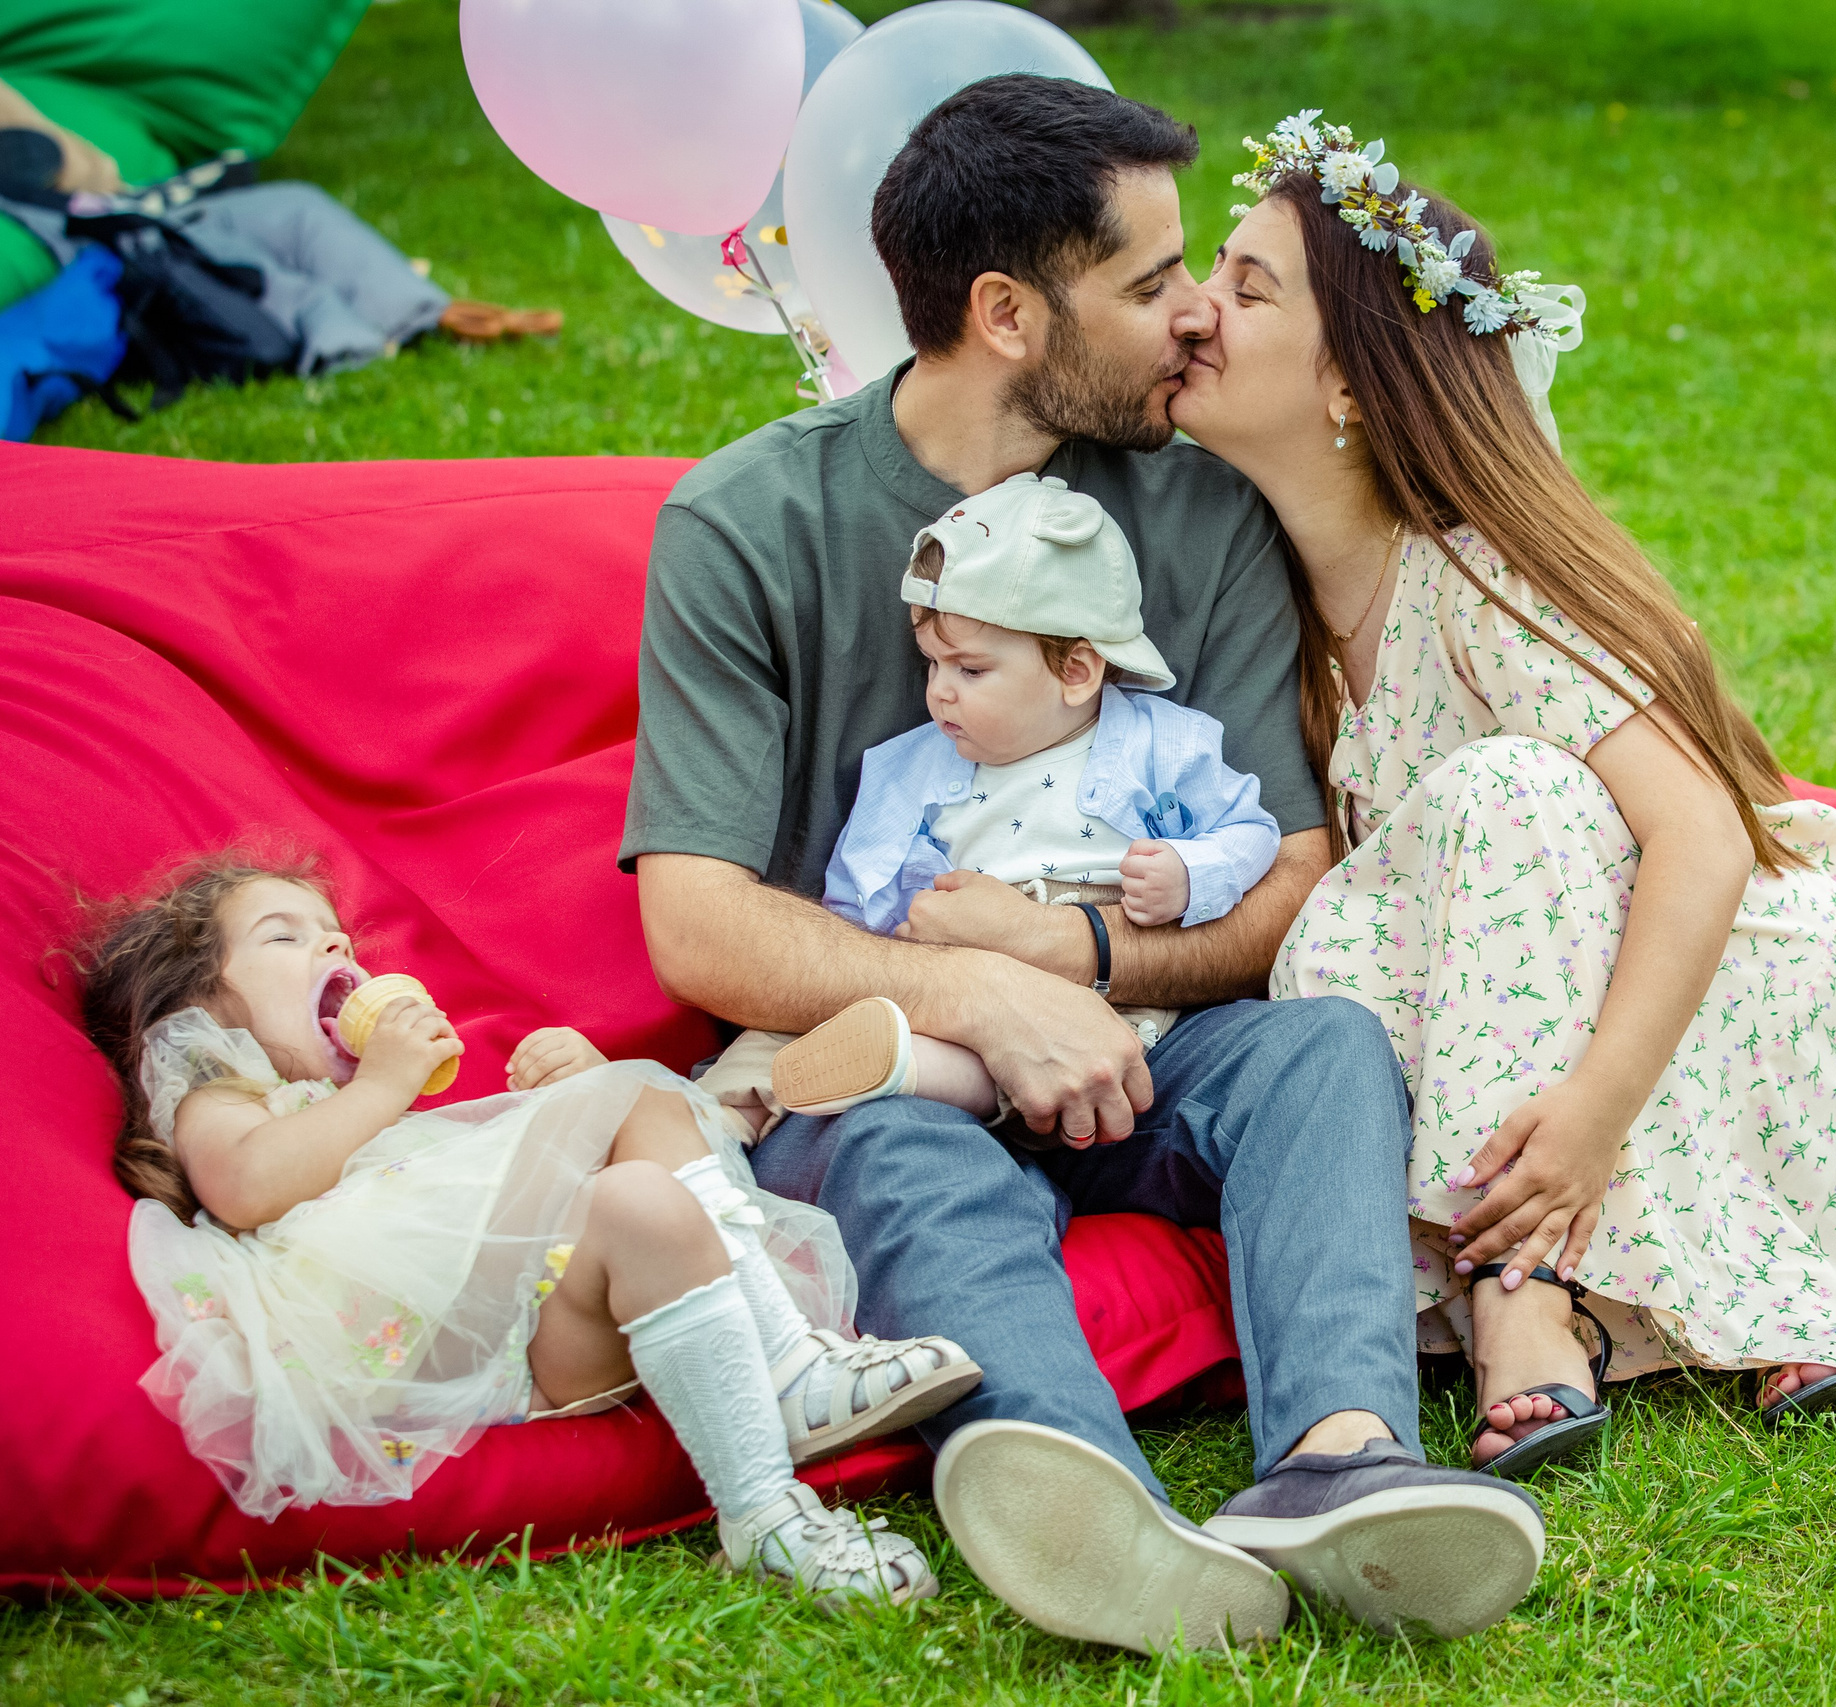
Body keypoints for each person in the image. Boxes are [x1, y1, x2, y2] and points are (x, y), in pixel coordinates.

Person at [621, 77, 1543, 1653]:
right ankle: (1087, 1499)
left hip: (1162, 1042)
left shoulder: (1198, 514)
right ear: (1006, 314)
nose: (1195, 316)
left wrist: (1094, 969)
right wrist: (982, 993)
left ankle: (1337, 1457)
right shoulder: (747, 523)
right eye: (1146, 282)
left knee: (1323, 1047)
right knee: (910, 1160)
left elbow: (1290, 870)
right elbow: (696, 920)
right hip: (899, 1074)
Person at [1170, 112, 1836, 1475]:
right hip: (1540, 963)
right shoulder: (1263, 602)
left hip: (1717, 956)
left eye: (1249, 286)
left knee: (1502, 787)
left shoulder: (1477, 577)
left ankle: (1532, 1302)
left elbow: (1693, 833)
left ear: (1349, 387)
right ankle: (1642, 1299)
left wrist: (1594, 1116)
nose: (1197, 310)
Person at [85, 855, 978, 1606]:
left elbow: (504, 1204)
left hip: (525, 1332)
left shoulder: (358, 1109)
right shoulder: (218, 1084)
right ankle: (779, 1429)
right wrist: (384, 1086)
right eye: (284, 934)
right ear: (206, 1001)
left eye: (336, 932)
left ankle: (766, 1496)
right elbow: (244, 1187)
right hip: (401, 1344)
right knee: (631, 1096)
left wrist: (572, 1094)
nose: (333, 943)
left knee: (642, 1189)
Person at [694, 470, 1283, 1133]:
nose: (941, 691)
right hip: (966, 994)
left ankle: (885, 1066)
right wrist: (897, 936)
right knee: (797, 1038)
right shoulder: (910, 767)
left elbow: (1252, 831)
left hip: (1111, 1016)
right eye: (931, 664)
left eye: (970, 669)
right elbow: (857, 898)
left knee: (963, 1073)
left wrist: (1190, 875)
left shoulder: (1164, 747)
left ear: (1077, 671)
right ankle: (723, 1113)